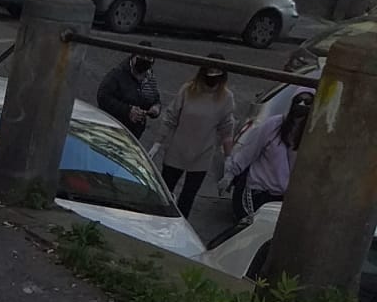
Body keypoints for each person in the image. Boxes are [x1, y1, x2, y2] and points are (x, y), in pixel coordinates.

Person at [148, 57, 236, 215]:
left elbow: (226, 130)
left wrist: (229, 160)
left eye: (217, 74)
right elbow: (170, 117)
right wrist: (158, 143)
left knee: (187, 198)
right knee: (164, 194)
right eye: (210, 73)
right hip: (177, 150)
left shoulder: (226, 98)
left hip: (202, 154)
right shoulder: (187, 90)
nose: (212, 78)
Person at [225, 90, 313, 219]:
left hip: (281, 199)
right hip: (257, 191)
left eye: (307, 102)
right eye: (298, 100)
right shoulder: (274, 125)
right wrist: (230, 173)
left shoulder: (311, 135)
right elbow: (249, 151)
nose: (302, 104)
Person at [96, 50, 161, 139]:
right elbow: (103, 97)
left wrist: (155, 108)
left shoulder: (149, 78)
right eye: (141, 57)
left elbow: (154, 98)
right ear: (133, 57)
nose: (144, 61)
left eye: (149, 59)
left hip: (132, 135)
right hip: (110, 130)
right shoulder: (117, 74)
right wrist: (127, 110)